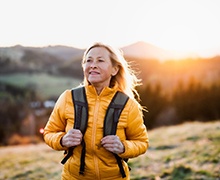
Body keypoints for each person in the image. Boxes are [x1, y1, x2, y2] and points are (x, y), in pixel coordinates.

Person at [43, 42, 149, 180]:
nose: (92, 65)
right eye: (88, 61)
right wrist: (62, 140)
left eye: (100, 60)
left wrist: (123, 147)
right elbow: (49, 132)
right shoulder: (69, 97)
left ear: (114, 70)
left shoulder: (128, 105)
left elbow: (141, 142)